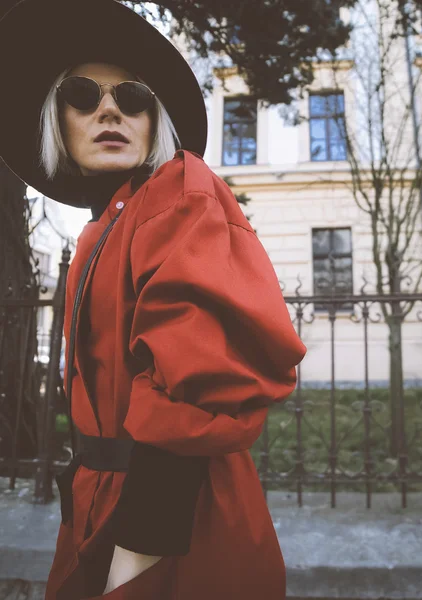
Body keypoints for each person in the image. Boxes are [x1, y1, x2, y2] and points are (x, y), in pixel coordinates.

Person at [0, 1, 306, 598]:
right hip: (104, 509)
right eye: (83, 94)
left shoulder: (179, 193)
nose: (109, 108)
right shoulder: (106, 223)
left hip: (177, 530)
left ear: (153, 119)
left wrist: (136, 552)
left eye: (134, 96)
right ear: (55, 118)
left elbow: (203, 377)